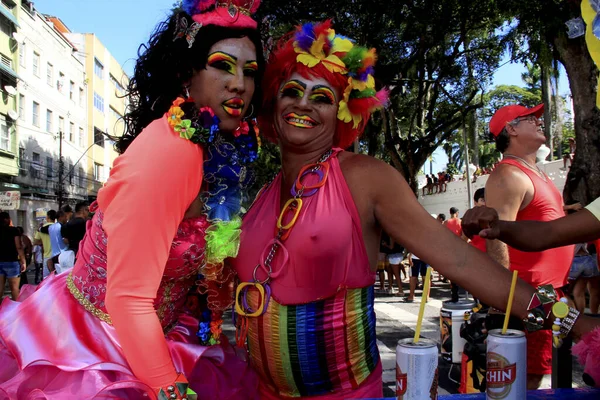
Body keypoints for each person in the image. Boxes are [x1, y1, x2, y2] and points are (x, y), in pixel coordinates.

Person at [229, 20, 556, 399]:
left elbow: (458, 260)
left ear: (342, 113)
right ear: (274, 101)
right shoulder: (260, 197)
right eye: (292, 91)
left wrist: (560, 316)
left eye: (322, 98)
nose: (303, 103)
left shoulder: (366, 177)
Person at [0, 1, 264, 399]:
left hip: (156, 336)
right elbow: (127, 299)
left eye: (249, 70)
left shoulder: (211, 152)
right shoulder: (172, 151)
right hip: (97, 352)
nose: (239, 84)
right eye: (222, 65)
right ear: (186, 74)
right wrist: (168, 388)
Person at [486, 103, 575, 389]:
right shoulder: (508, 175)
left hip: (549, 292)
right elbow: (496, 236)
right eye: (530, 118)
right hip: (529, 294)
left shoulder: (535, 172)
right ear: (511, 130)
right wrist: (504, 303)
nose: (539, 120)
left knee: (538, 370)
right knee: (524, 377)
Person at [0, 213, 26, 300]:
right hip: (12, 262)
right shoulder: (14, 230)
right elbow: (18, 246)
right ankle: (16, 310)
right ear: (8, 219)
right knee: (14, 289)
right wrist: (23, 261)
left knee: (0, 289)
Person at [33, 210, 55, 279]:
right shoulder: (58, 226)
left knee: (46, 279)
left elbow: (35, 242)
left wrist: (43, 242)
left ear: (47, 217)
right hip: (58, 256)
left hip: (47, 256)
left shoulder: (41, 229)